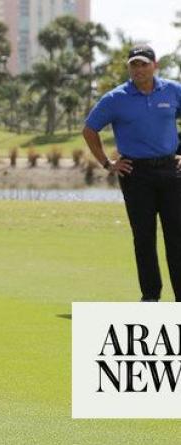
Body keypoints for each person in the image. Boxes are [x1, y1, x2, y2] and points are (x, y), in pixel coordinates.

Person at [83, 44, 181, 301]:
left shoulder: (173, 91)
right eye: (133, 65)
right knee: (144, 236)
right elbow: (90, 130)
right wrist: (107, 163)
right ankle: (150, 296)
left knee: (177, 236)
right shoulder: (116, 98)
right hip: (136, 175)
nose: (138, 69)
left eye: (143, 64)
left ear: (154, 65)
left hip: (172, 172)